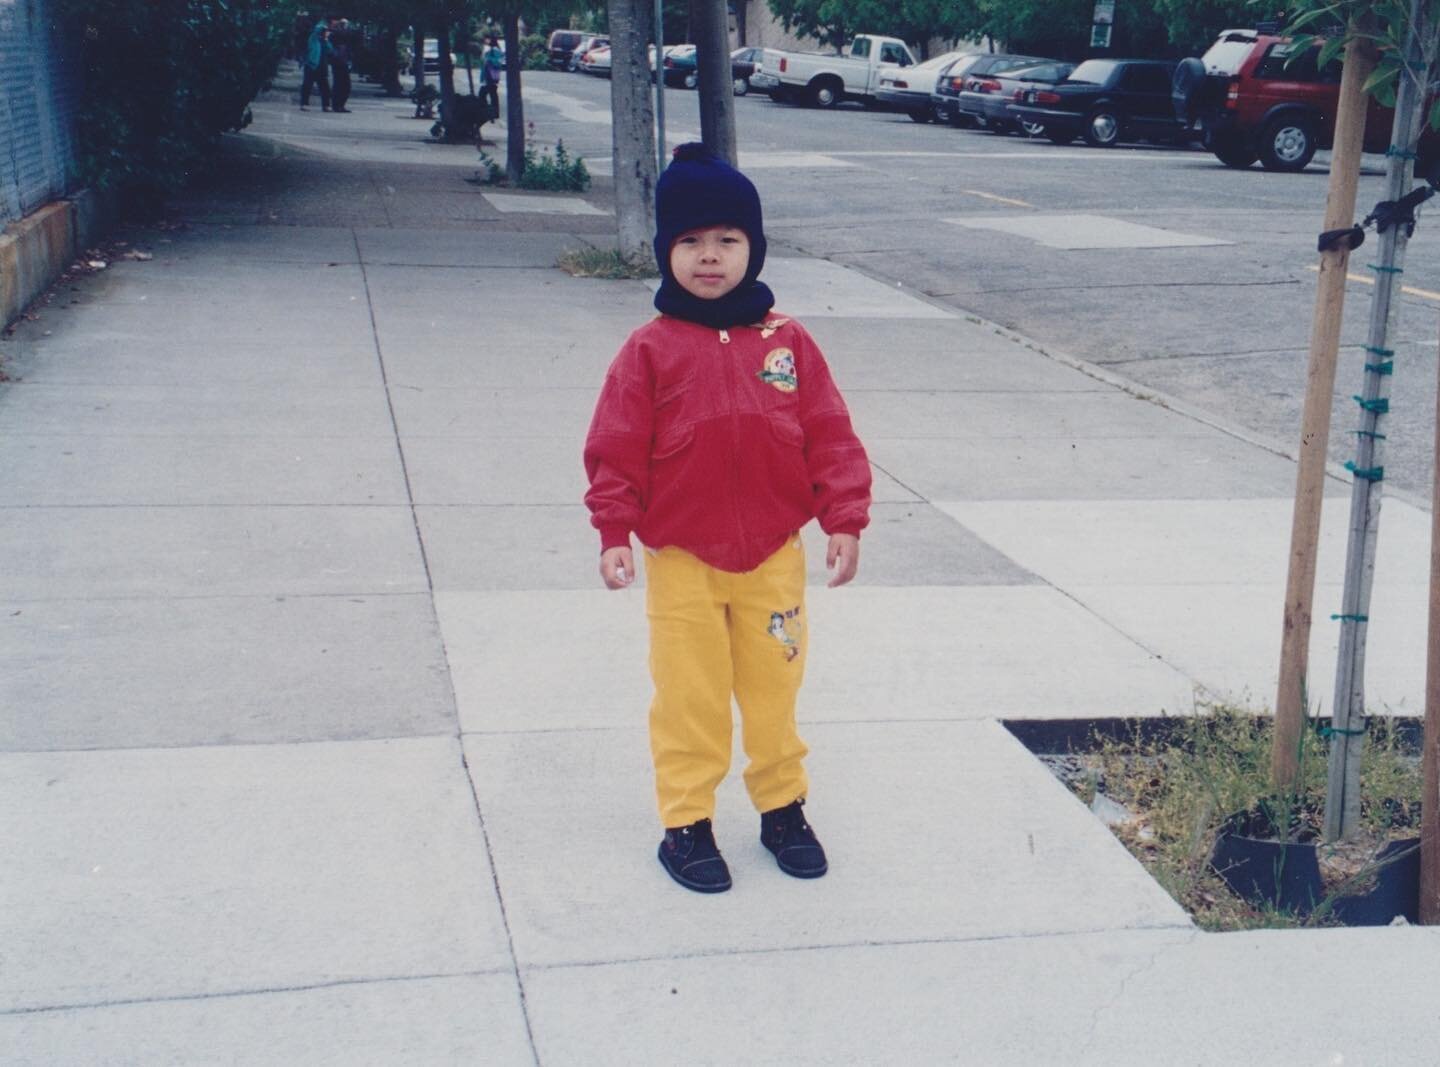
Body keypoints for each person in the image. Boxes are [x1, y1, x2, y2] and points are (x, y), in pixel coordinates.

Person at [582, 144, 872, 894]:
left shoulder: (788, 343)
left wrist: (845, 516)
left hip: (774, 556)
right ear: (666, 252)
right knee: (691, 696)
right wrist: (614, 529)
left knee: (775, 690)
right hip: (682, 559)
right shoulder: (648, 350)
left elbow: (829, 432)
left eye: (727, 241)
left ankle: (782, 808)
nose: (709, 257)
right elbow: (615, 446)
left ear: (754, 246)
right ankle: (686, 824)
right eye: (690, 242)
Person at [300, 21, 332, 111]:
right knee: (307, 85)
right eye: (324, 31)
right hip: (311, 65)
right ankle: (304, 103)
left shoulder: (325, 41)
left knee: (325, 87)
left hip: (322, 66)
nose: (326, 33)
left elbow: (330, 50)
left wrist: (326, 40)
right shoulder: (313, 38)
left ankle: (326, 105)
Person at [328, 18, 352, 113]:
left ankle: (338, 105)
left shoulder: (335, 34)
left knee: (341, 84)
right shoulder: (337, 34)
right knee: (342, 84)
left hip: (341, 61)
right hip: (340, 61)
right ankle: (338, 105)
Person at [480, 35, 503, 121]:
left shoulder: (495, 51)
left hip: (490, 77)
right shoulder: (489, 50)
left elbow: (498, 63)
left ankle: (489, 112)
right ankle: (493, 112)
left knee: (484, 94)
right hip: (488, 77)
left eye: (488, 39)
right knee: (492, 95)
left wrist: (488, 59)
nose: (486, 40)